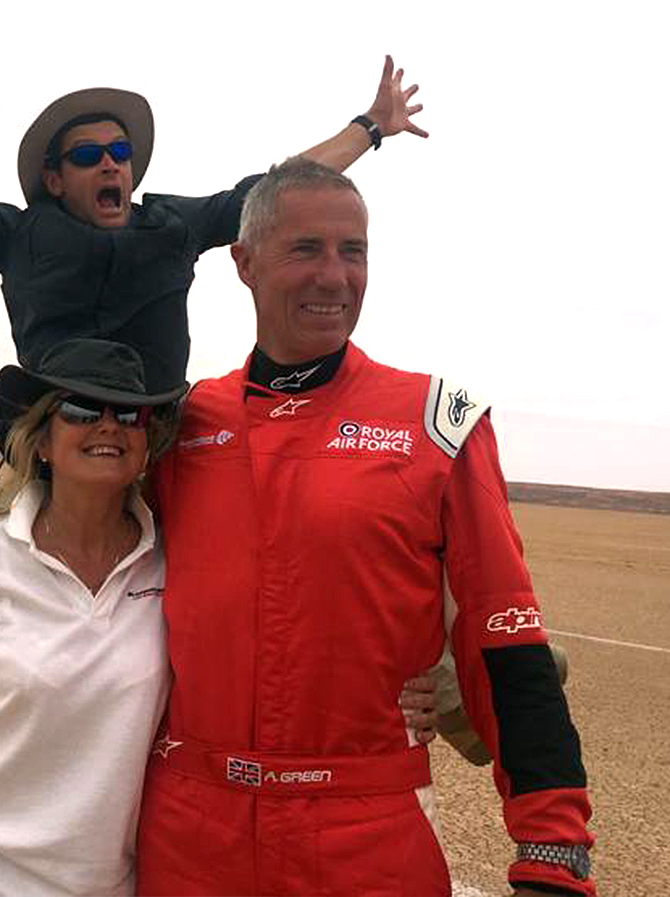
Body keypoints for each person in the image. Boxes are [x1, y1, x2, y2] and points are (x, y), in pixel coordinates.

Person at [0, 6, 436, 777]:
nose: (112, 165)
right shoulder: (18, 236)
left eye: (121, 151)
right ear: (54, 179)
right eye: (90, 154)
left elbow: (277, 189)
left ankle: (464, 694)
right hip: (55, 443)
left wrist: (370, 125)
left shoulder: (170, 225)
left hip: (166, 438)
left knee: (310, 531)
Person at [130, 157, 595, 896]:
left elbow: (503, 634)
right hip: (189, 833)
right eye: (306, 248)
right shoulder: (181, 424)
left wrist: (553, 846)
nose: (335, 275)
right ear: (244, 263)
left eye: (354, 251)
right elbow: (74, 546)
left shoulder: (437, 423)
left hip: (365, 835)